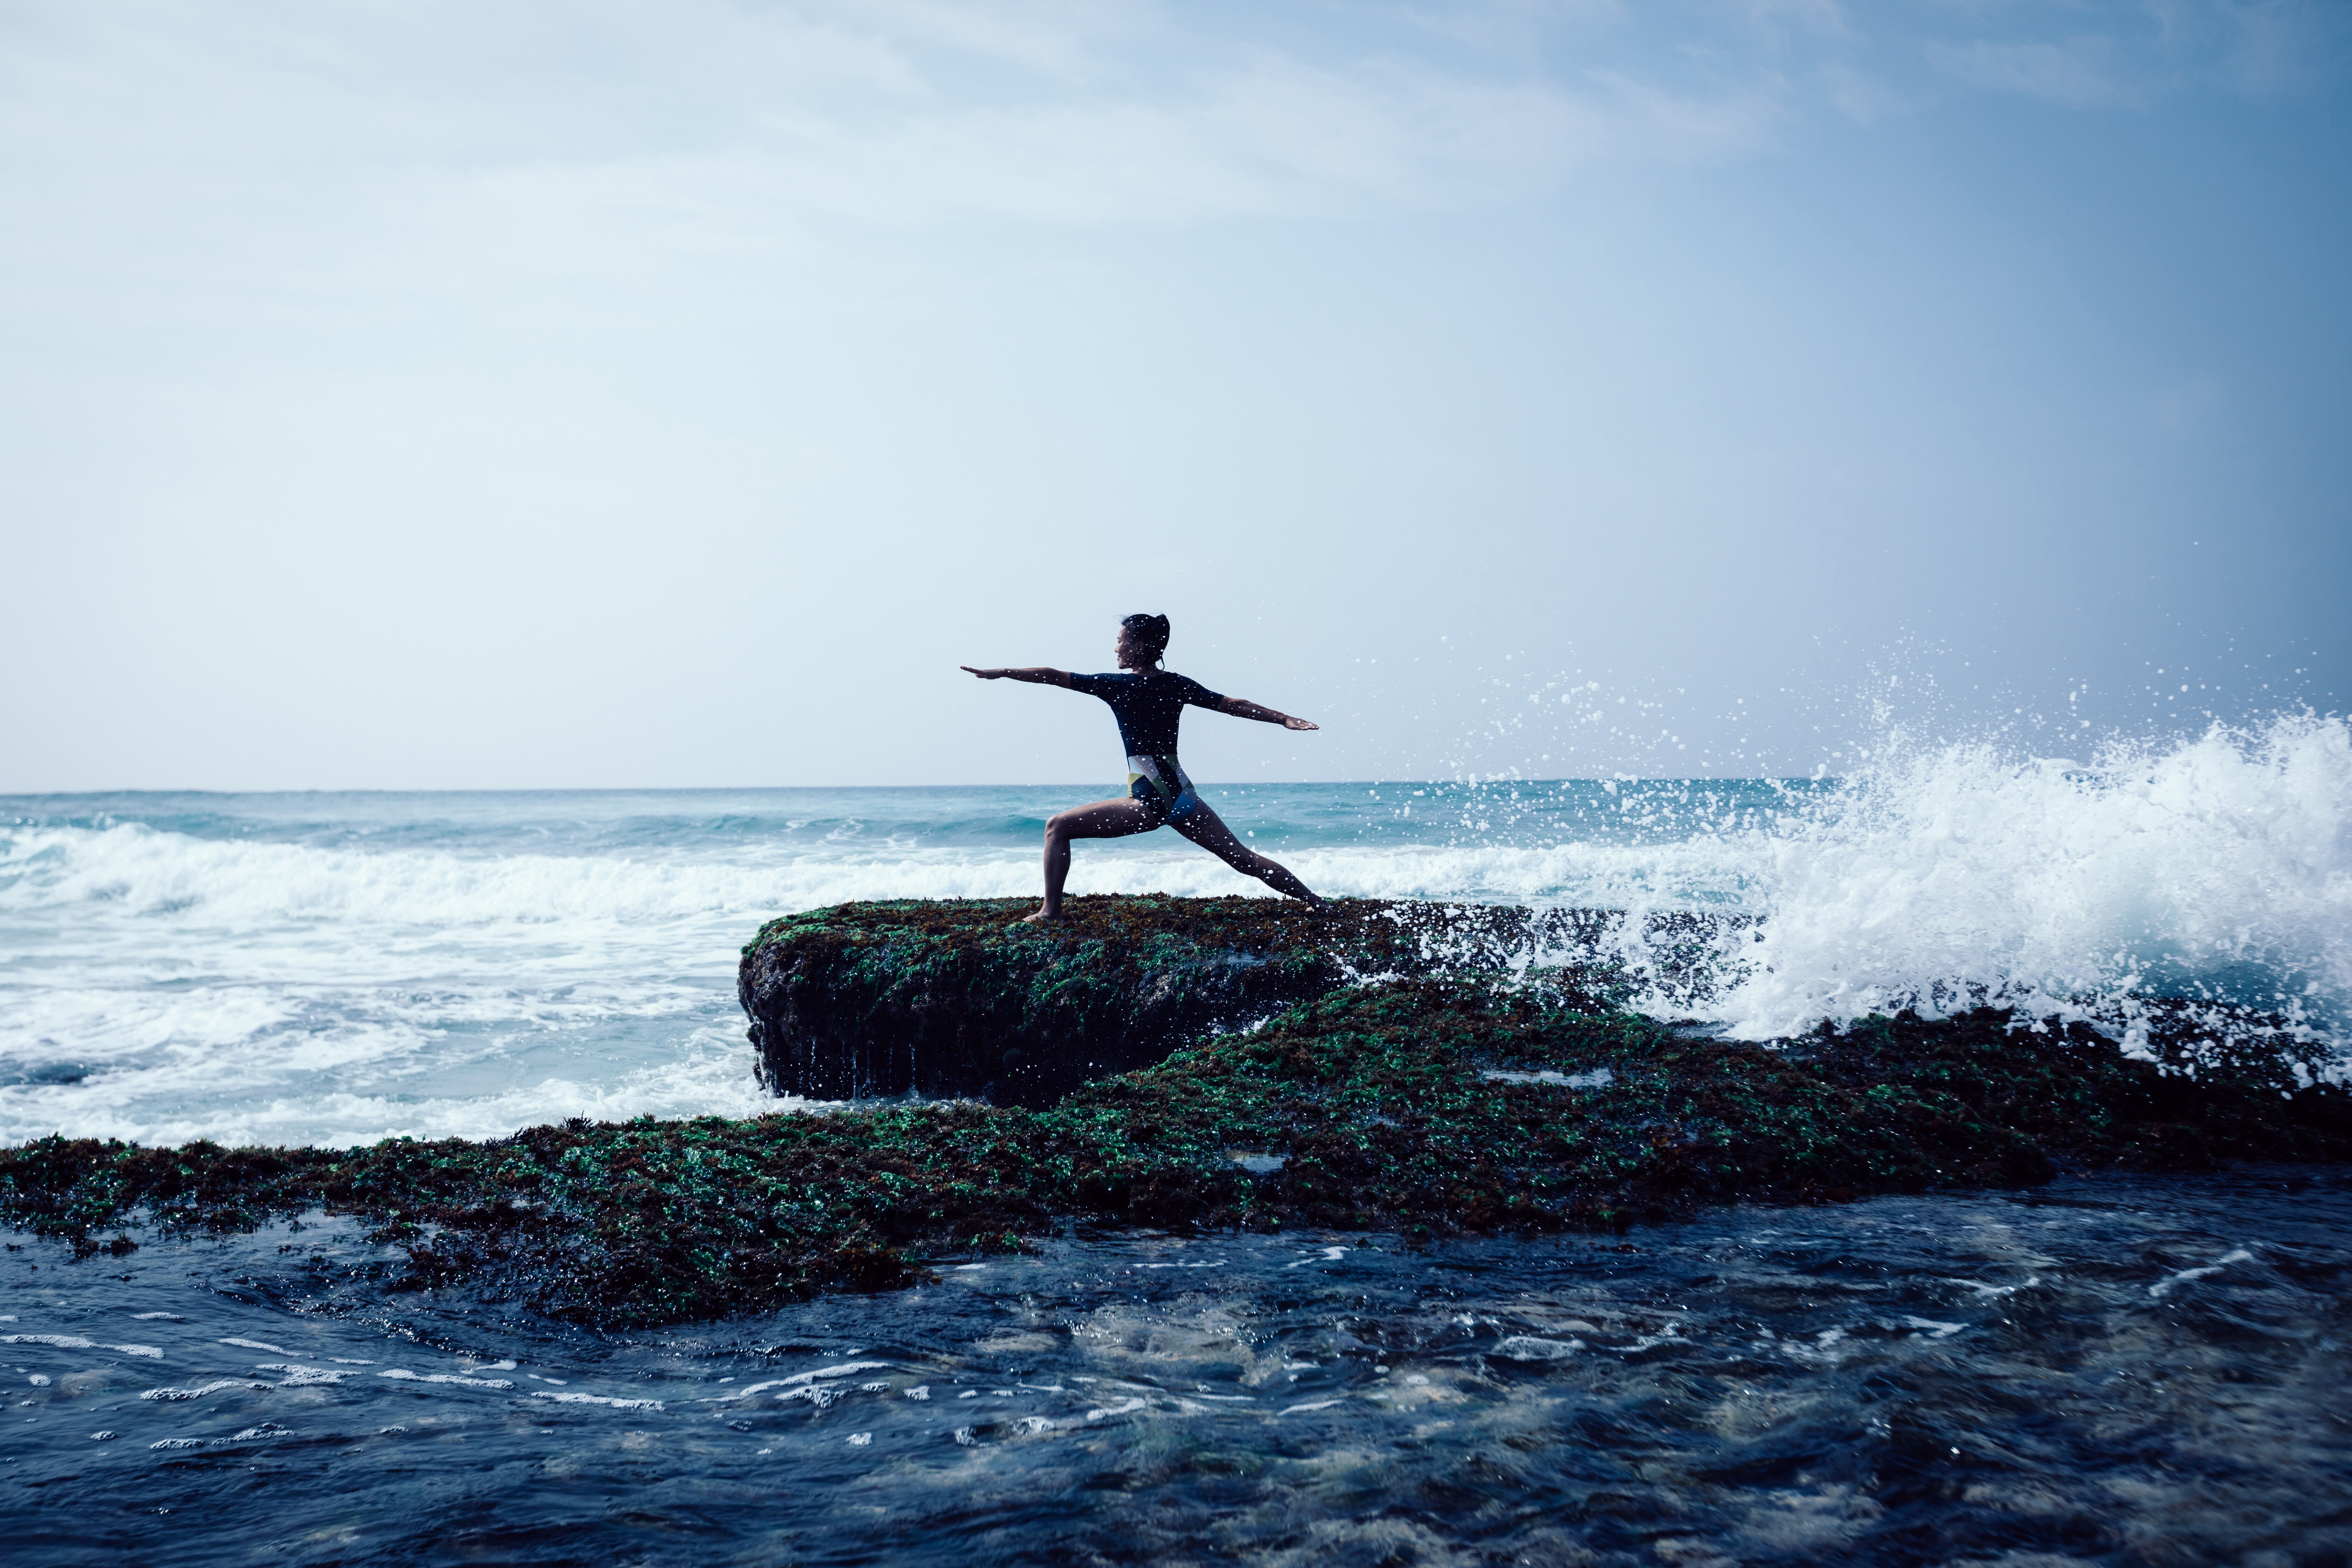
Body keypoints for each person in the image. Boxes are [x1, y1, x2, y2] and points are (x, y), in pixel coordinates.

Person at [962, 613, 1323, 923]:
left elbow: (1052, 675)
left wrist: (1003, 672)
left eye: (1120, 641)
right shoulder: (1177, 684)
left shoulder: (1114, 685)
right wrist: (1284, 719)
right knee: (1243, 858)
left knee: (1057, 827)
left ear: (1137, 646)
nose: (1115, 648)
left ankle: (1050, 912)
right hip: (1184, 796)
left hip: (1150, 801)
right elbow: (1233, 704)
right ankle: (1318, 903)